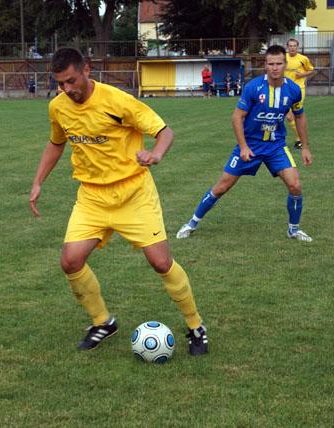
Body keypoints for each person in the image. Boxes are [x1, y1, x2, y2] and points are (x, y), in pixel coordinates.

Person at [29, 47, 208, 356]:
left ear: (87, 71)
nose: (67, 89)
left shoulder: (118, 101)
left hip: (133, 192)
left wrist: (155, 154)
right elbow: (56, 143)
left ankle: (196, 326)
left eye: (71, 81)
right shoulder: (58, 107)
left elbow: (165, 132)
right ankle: (103, 322)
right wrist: (37, 182)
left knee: (161, 262)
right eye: (60, 83)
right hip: (91, 197)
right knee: (70, 261)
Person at [176, 45, 313, 242]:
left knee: (295, 185)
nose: (275, 67)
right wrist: (243, 147)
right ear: (265, 65)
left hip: (276, 146)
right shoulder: (253, 87)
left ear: (285, 65)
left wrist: (305, 147)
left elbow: (299, 117)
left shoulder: (292, 90)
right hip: (250, 145)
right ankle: (191, 223)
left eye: (278, 63)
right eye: (270, 64)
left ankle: (293, 229)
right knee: (222, 187)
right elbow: (236, 118)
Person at [284, 38, 315, 150]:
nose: (292, 48)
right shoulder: (284, 58)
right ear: (287, 47)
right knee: (289, 117)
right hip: (285, 89)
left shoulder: (303, 59)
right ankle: (300, 139)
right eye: (290, 46)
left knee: (294, 115)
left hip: (298, 89)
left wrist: (301, 75)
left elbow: (311, 70)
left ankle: (300, 140)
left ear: (297, 47)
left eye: (294, 46)